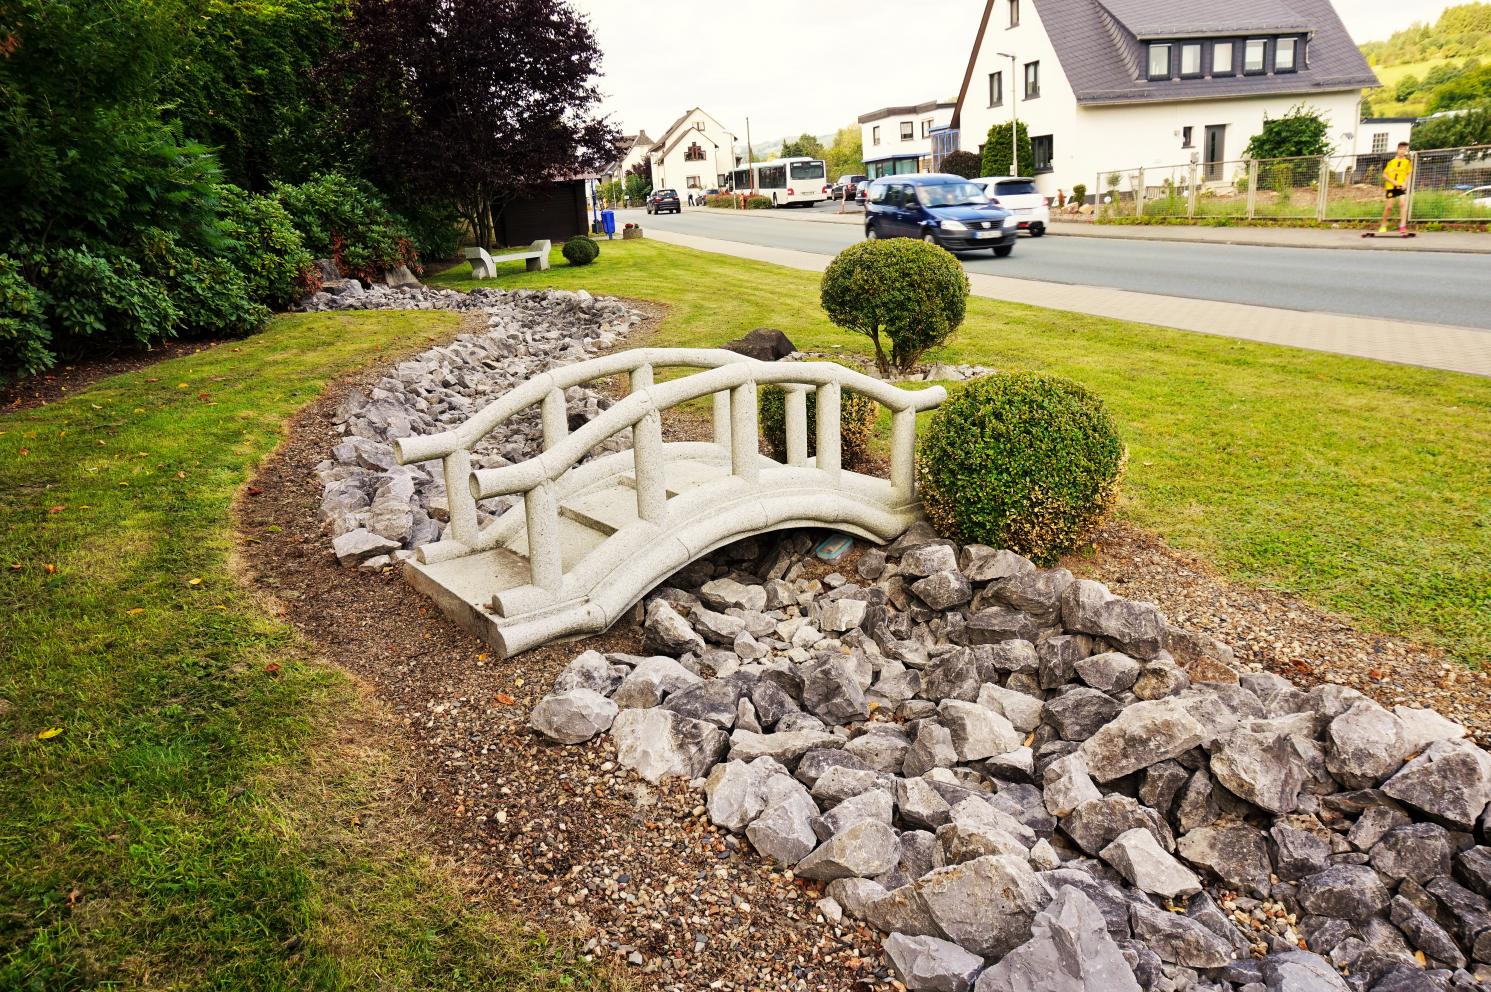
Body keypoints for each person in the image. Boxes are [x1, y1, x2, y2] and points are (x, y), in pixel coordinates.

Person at [1379, 142, 1413, 234]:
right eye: (1401, 149)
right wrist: (1393, 181)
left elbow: (1408, 173)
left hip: (1401, 187)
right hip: (1391, 187)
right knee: (1389, 207)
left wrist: (1405, 183)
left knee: (1402, 204)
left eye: (1404, 149)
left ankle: (1402, 226)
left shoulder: (1407, 162)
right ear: (1397, 150)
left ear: (1406, 151)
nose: (1402, 151)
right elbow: (1384, 175)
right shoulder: (1391, 162)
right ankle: (1383, 224)